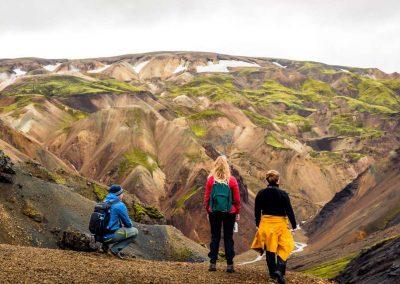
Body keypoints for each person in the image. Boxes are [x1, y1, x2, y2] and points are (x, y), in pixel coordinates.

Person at [251, 170, 296, 284]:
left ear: (267, 180)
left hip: (266, 224)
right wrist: (294, 226)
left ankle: (272, 274)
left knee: (270, 249)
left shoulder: (261, 193)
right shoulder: (283, 194)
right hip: (281, 224)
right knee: (285, 246)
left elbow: (257, 210)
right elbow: (289, 211)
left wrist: (258, 224)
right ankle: (280, 271)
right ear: (278, 180)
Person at [203, 156, 241, 273]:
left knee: (215, 236)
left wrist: (208, 210)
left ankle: (213, 263)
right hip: (230, 212)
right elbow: (237, 199)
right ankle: (229, 264)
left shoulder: (211, 180)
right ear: (226, 167)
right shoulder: (232, 180)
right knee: (228, 238)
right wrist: (237, 211)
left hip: (214, 212)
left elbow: (207, 198)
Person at [102, 185, 138, 259]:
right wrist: (125, 224)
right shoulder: (119, 205)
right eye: (122, 193)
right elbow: (128, 224)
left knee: (110, 226)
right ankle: (114, 250)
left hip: (99, 236)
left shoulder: (104, 202)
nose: (123, 195)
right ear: (118, 194)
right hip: (108, 237)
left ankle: (104, 247)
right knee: (135, 231)